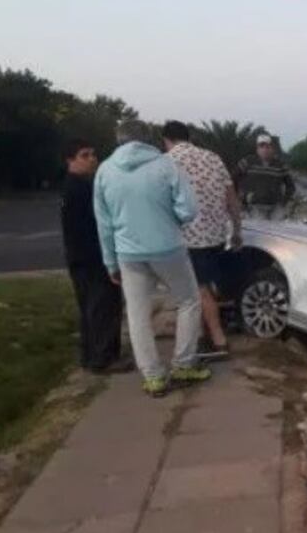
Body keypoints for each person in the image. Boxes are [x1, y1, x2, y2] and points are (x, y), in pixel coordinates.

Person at [93, 120, 211, 397]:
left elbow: (104, 223)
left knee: (137, 314)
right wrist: (172, 220)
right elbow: (189, 209)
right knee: (189, 301)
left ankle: (154, 377)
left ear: (119, 139)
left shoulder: (105, 170)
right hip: (168, 247)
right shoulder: (166, 164)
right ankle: (183, 364)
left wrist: (110, 261)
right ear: (149, 138)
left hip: (128, 253)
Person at [162, 120, 242, 360]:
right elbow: (232, 198)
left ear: (166, 140)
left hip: (189, 238)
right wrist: (237, 230)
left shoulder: (167, 162)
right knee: (206, 286)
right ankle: (201, 333)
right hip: (216, 234)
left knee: (198, 290)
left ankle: (218, 340)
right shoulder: (213, 158)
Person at [59, 139, 131, 374]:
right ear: (70, 160)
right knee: (103, 306)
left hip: (80, 257)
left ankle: (91, 355)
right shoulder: (79, 189)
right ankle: (104, 357)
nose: (92, 159)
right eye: (84, 155)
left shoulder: (77, 186)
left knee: (90, 307)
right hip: (92, 257)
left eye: (93, 154)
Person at [235, 133, 295, 220]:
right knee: (258, 232)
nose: (265, 149)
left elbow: (291, 186)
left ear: (272, 149)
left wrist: (283, 202)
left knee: (276, 232)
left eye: (267, 147)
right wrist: (238, 198)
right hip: (253, 207)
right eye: (261, 146)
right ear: (257, 149)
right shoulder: (247, 162)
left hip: (275, 209)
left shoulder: (280, 165)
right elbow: (232, 179)